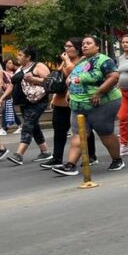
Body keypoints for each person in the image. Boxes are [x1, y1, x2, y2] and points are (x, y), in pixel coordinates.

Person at [51, 36, 125, 175]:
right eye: (83, 44)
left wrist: (99, 93)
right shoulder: (82, 61)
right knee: (78, 134)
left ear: (97, 46)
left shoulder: (104, 60)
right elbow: (73, 77)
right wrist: (70, 91)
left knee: (105, 133)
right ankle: (70, 165)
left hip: (102, 103)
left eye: (88, 43)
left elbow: (114, 77)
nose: (84, 46)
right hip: (79, 104)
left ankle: (117, 160)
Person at [42, 38, 97, 169]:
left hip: (76, 100)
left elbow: (72, 73)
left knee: (83, 130)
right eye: (65, 46)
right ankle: (57, 157)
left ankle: (90, 155)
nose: (66, 49)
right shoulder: (64, 62)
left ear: (77, 48)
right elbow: (60, 79)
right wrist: (54, 96)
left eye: (69, 46)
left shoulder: (84, 60)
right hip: (61, 100)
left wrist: (66, 61)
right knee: (59, 130)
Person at [3, 47, 53, 166]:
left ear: (28, 57)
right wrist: (1, 98)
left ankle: (19, 154)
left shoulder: (38, 66)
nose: (17, 57)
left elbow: (50, 81)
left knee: (27, 125)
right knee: (33, 125)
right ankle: (45, 151)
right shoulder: (20, 68)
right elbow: (12, 84)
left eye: (20, 55)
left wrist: (33, 78)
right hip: (24, 102)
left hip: (38, 101)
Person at [0, 58, 18, 135]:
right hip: (6, 93)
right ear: (5, 64)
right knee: (9, 110)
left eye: (12, 63)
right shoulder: (3, 73)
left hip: (12, 93)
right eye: (9, 63)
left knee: (6, 109)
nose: (11, 64)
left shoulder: (15, 73)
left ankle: (4, 128)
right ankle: (19, 126)